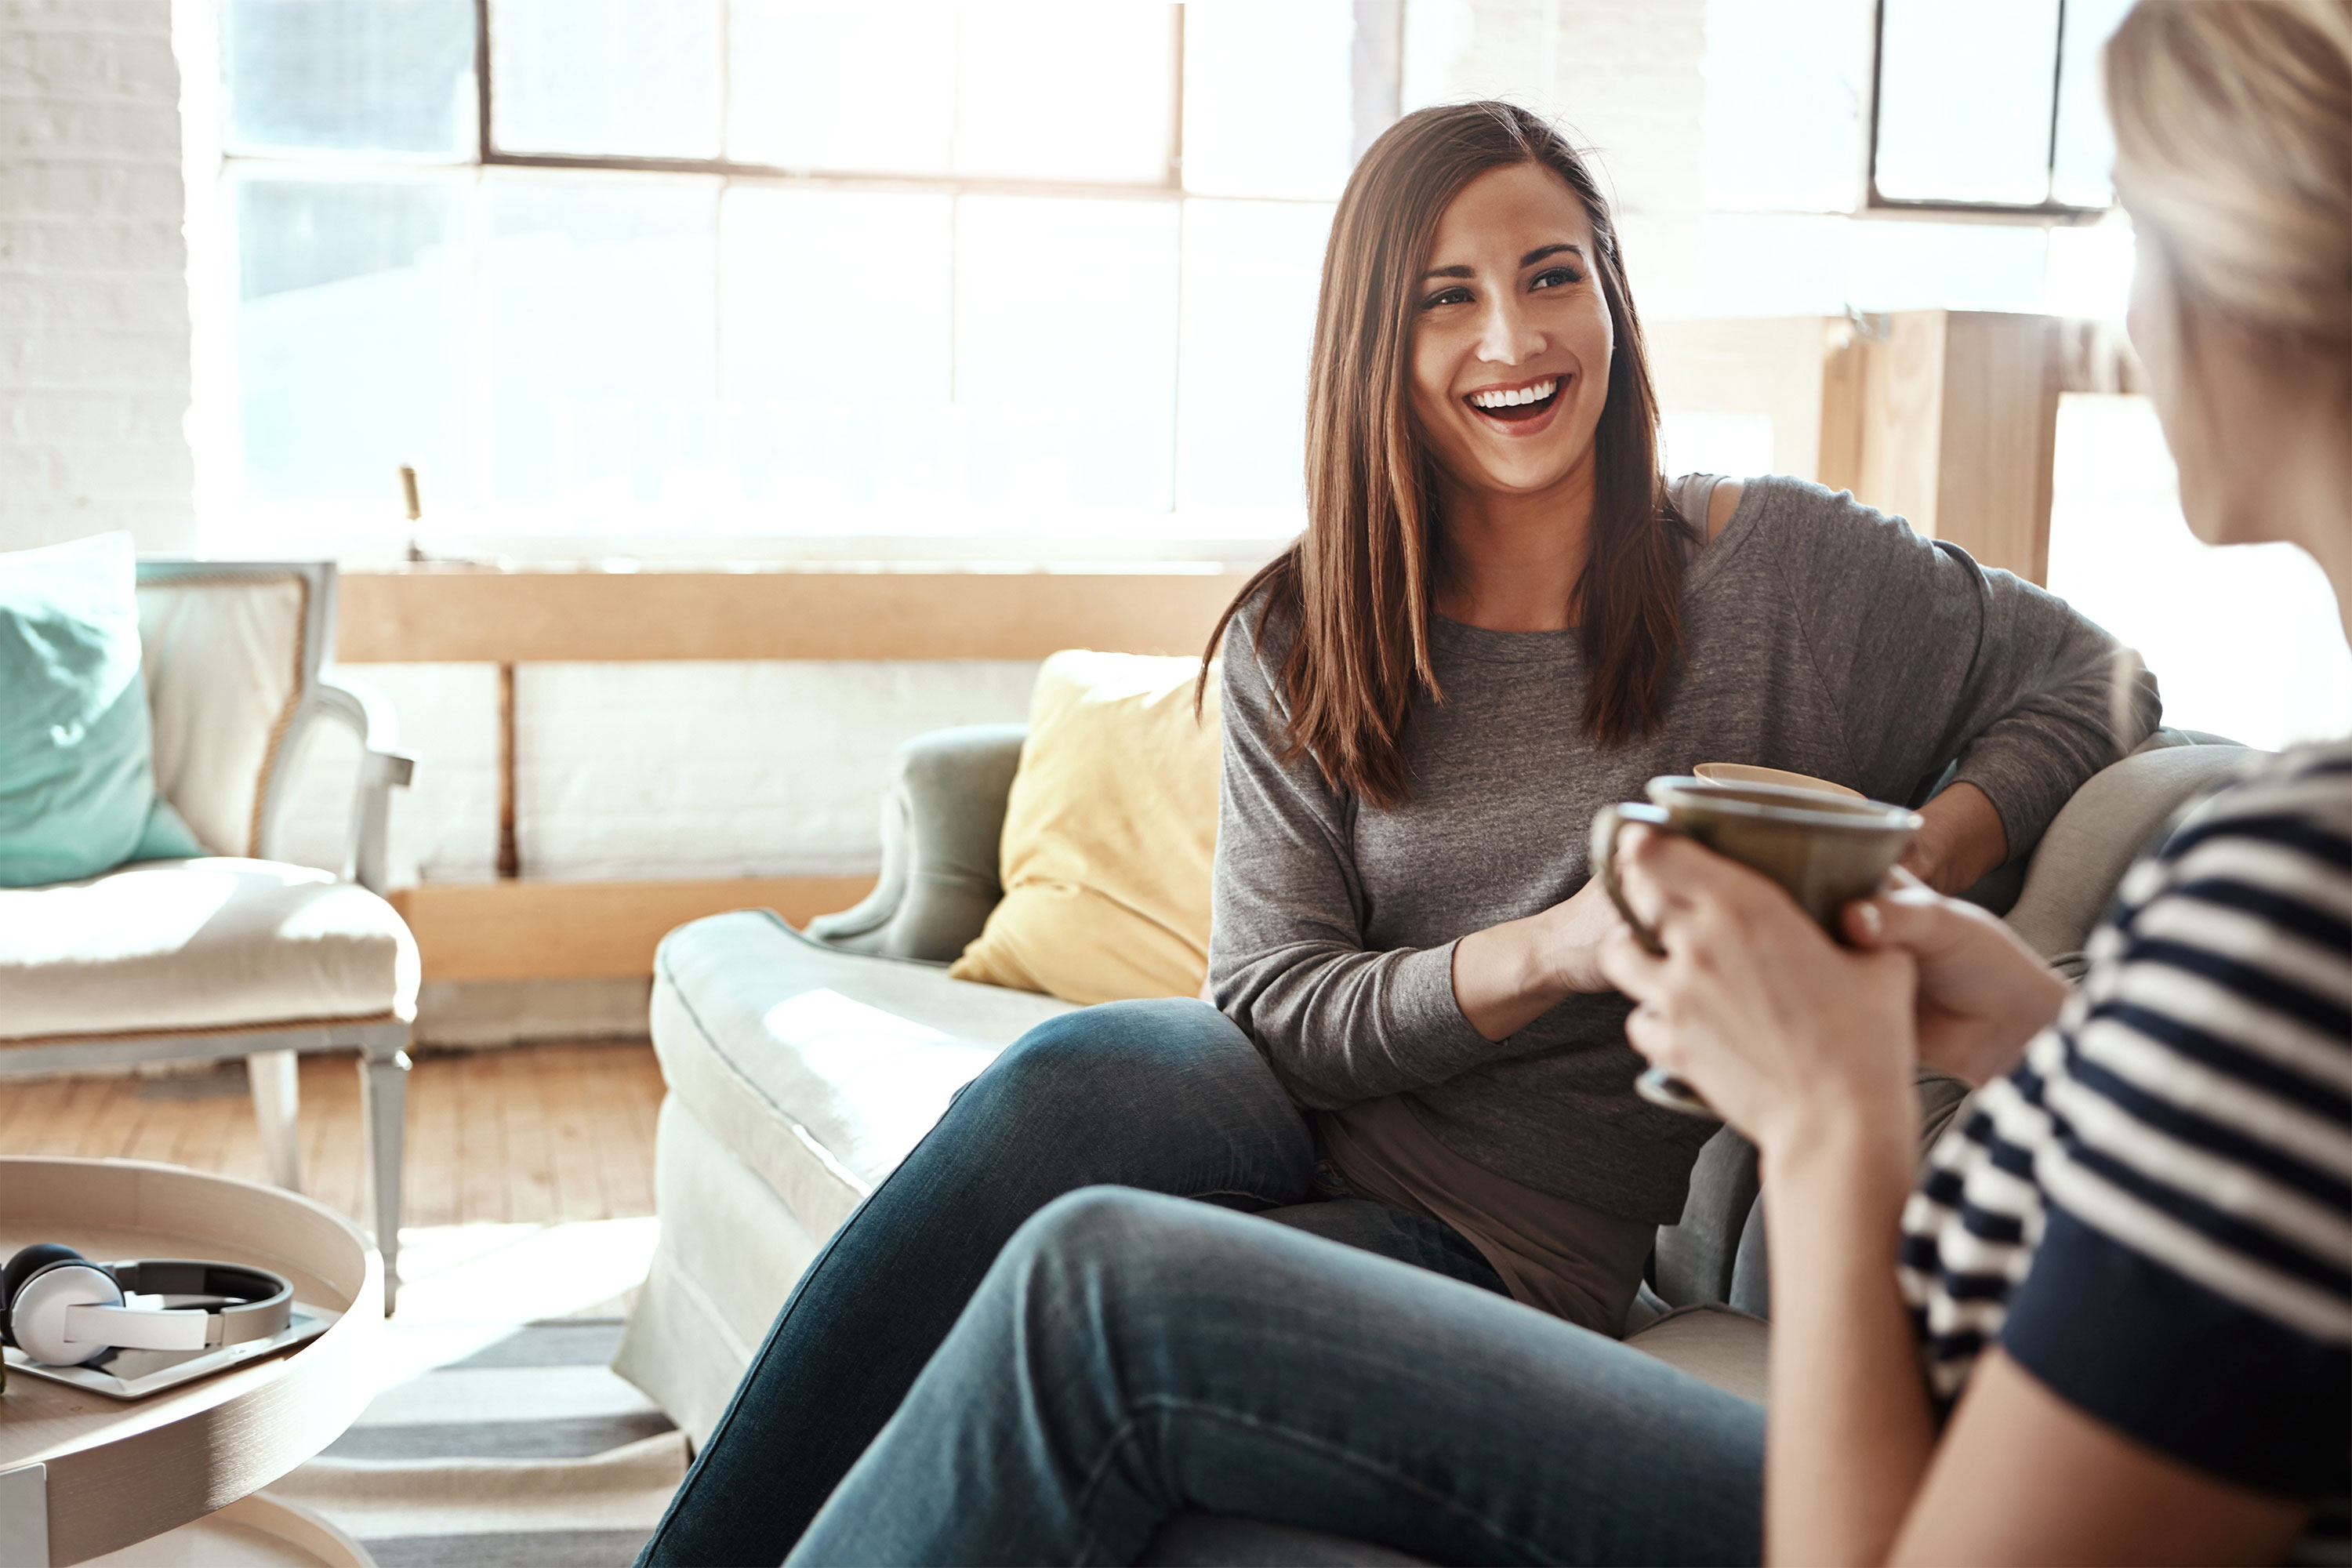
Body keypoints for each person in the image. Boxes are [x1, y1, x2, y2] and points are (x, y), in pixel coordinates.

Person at [779, 2, 2352, 1563]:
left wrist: (1917, 862)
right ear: (1374, 353)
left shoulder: (1783, 574)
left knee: (1081, 1289)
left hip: (1490, 1238)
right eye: (1445, 300)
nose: (1514, 340)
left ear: (1612, 298)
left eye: (1554, 278)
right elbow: (1262, 1011)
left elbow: (2088, 677)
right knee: (1081, 1082)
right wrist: (1562, 944)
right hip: (1271, 1115)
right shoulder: (1298, 627)